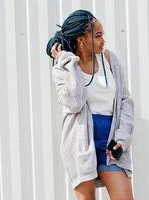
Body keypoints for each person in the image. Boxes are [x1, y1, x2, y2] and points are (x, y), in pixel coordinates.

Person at [46, 10, 134, 200]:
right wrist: (66, 61)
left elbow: (125, 101)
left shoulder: (110, 60)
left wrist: (122, 137)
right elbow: (74, 102)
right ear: (81, 40)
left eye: (103, 35)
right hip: (80, 142)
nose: (103, 40)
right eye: (98, 36)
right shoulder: (63, 67)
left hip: (110, 141)